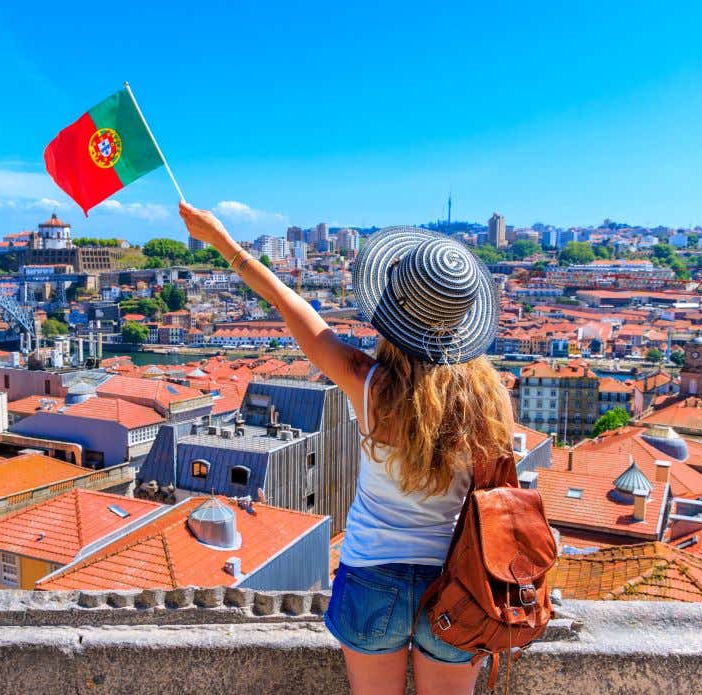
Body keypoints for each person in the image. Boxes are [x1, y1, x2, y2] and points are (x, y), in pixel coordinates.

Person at [179, 203, 513, 695]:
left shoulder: (371, 386)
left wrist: (223, 243)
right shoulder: (490, 400)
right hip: (458, 585)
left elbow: (294, 310)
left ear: (395, 313)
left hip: (372, 576)